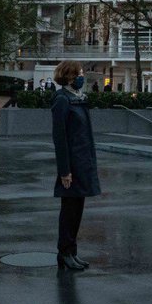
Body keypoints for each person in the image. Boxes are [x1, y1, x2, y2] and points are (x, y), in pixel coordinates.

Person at [51, 60, 100, 271]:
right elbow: (60, 138)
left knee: (77, 209)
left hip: (83, 163)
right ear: (69, 76)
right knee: (69, 211)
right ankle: (64, 252)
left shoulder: (78, 99)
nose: (82, 76)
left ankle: (72, 251)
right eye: (79, 73)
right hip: (71, 166)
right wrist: (64, 171)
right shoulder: (62, 100)